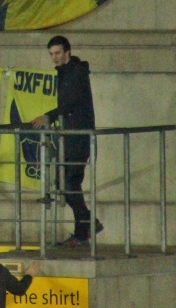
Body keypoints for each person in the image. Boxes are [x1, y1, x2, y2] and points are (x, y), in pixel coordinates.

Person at [29, 35, 103, 246]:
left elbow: (72, 102)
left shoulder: (76, 72)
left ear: (67, 52)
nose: (55, 57)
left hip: (79, 136)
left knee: (68, 182)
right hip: (71, 135)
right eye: (51, 54)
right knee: (67, 183)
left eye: (58, 53)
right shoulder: (65, 72)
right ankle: (84, 229)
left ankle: (87, 225)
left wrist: (48, 116)